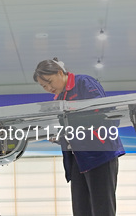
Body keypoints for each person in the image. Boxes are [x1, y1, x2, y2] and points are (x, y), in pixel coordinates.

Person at [33, 58, 124, 216]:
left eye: (49, 82)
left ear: (60, 72)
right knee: (81, 210)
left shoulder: (84, 83)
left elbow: (104, 114)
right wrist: (59, 136)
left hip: (99, 155)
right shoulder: (61, 98)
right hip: (78, 160)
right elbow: (72, 131)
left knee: (102, 209)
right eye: (43, 86)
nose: (48, 88)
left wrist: (70, 128)